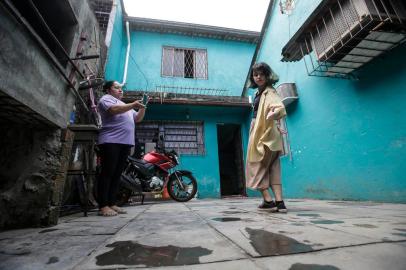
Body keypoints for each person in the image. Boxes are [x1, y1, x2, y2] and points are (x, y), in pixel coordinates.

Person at [97, 81, 146, 216]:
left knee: (117, 174)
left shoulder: (125, 106)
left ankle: (112, 203)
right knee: (107, 173)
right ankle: (103, 206)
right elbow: (113, 110)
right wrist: (133, 104)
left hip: (125, 143)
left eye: (121, 88)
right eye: (117, 87)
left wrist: (143, 107)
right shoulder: (106, 99)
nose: (120, 90)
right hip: (110, 141)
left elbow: (137, 119)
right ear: (108, 89)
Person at [246, 62, 288, 213]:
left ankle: (269, 201)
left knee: (255, 166)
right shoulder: (258, 93)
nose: (258, 77)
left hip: (262, 134)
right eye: (255, 75)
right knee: (273, 167)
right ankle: (280, 203)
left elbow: (279, 107)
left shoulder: (269, 92)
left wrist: (273, 114)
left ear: (267, 76)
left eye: (261, 74)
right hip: (271, 135)